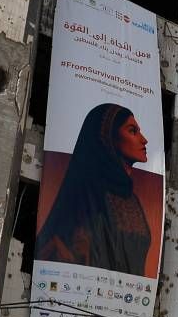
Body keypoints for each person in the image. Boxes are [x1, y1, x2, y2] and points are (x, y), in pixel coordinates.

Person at [34, 102, 154, 276]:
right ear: (108, 138)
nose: (144, 140)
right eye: (132, 131)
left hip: (129, 291)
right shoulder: (87, 193)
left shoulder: (131, 198)